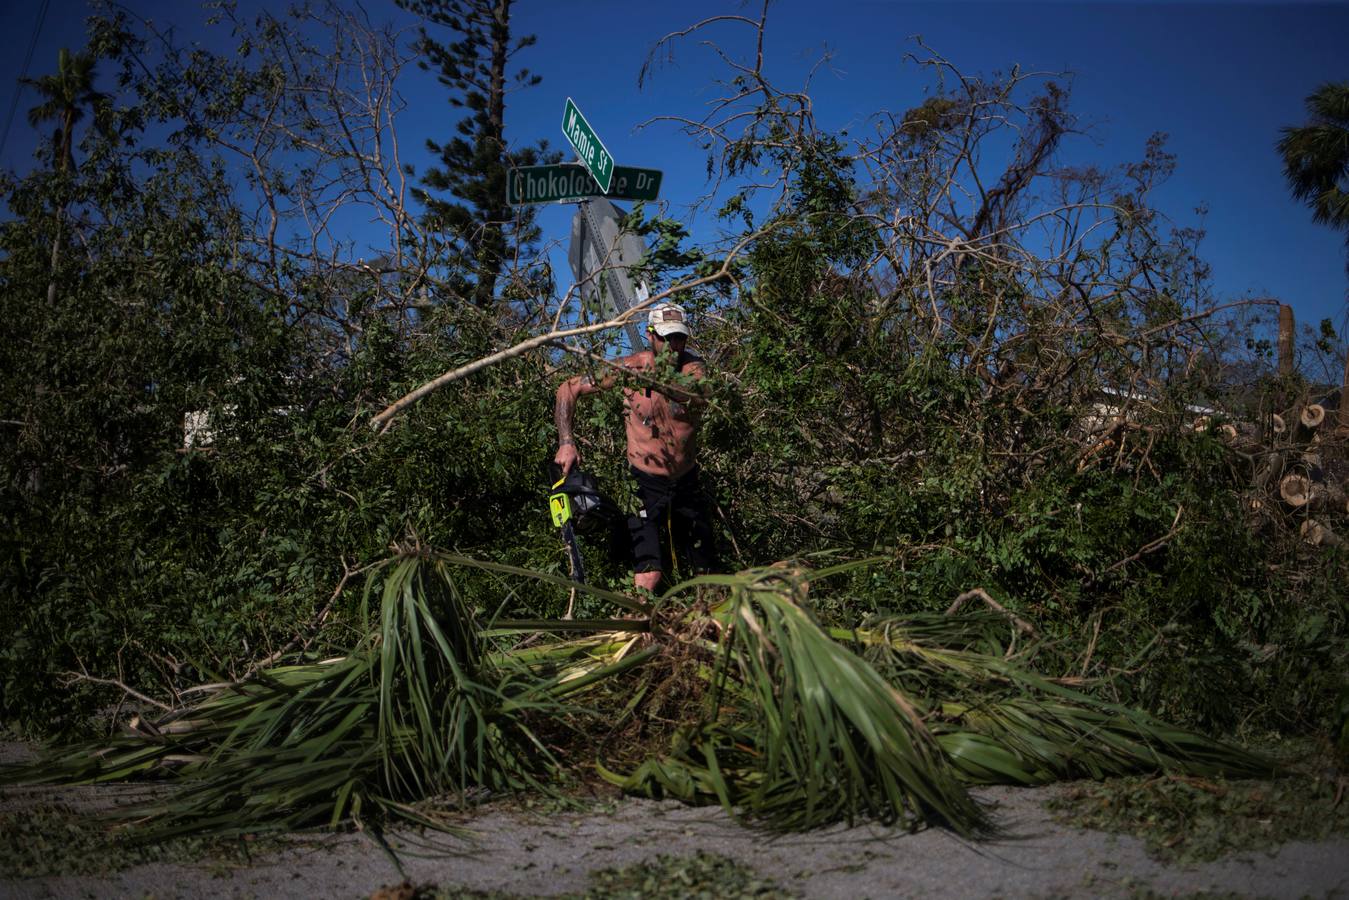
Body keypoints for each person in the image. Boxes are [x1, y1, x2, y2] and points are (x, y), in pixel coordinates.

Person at [553, 302, 718, 593]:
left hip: (685, 481)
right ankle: (638, 617)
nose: (674, 346)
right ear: (650, 335)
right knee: (649, 574)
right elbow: (568, 388)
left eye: (679, 337)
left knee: (707, 573)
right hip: (644, 482)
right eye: (666, 337)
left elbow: (696, 393)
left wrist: (654, 379)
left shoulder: (694, 369)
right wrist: (566, 442)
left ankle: (709, 617)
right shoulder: (630, 367)